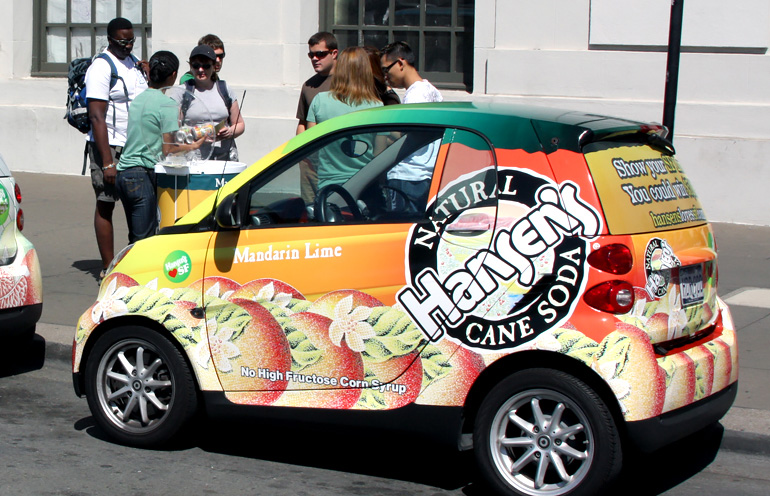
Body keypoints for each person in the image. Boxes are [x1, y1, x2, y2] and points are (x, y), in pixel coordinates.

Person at [116, 51, 205, 243]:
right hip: (141, 175)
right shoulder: (167, 105)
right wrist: (192, 145)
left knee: (135, 237)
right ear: (173, 75)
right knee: (145, 240)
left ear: (149, 74)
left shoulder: (138, 100)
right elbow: (169, 149)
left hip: (123, 174)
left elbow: (151, 133)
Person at [85, 17, 148, 280]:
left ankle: (138, 264)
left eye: (132, 40)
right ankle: (108, 268)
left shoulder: (134, 64)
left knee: (139, 205)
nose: (128, 45)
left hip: (134, 145)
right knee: (106, 203)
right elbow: (97, 117)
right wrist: (107, 162)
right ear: (110, 39)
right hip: (108, 146)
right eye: (123, 41)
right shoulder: (101, 67)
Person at [307, 46, 383, 190]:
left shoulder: (319, 101)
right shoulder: (377, 106)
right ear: (366, 71)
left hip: (329, 185)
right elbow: (379, 153)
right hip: (365, 185)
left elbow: (310, 148)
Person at [380, 41, 443, 213]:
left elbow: (408, 134)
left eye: (386, 69)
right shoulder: (432, 91)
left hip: (408, 176)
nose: (385, 75)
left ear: (400, 63)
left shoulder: (415, 95)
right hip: (424, 175)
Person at [170, 45, 245, 161]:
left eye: (206, 66)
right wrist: (197, 134)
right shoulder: (182, 92)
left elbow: (240, 124)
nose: (201, 70)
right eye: (196, 66)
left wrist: (229, 132)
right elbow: (173, 130)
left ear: (214, 66)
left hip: (224, 158)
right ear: (190, 66)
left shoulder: (224, 89)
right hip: (194, 159)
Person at [296, 32, 338, 135]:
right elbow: (302, 123)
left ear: (334, 54)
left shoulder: (349, 82)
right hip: (317, 148)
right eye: (311, 55)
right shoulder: (308, 86)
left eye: (320, 54)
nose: (315, 59)